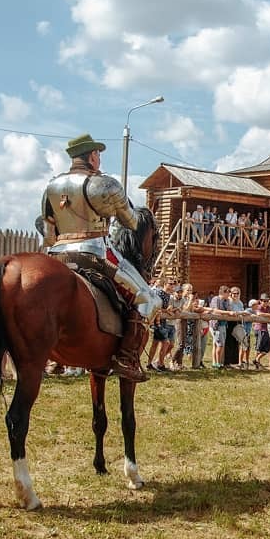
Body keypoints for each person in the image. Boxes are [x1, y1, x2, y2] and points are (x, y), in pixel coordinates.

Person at [40, 134, 163, 383]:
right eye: (98, 155)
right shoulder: (103, 184)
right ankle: (126, 356)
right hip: (94, 253)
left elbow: (48, 233)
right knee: (148, 298)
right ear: (92, 157)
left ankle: (53, 355)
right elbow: (132, 222)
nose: (99, 159)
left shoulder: (52, 187)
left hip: (56, 255)